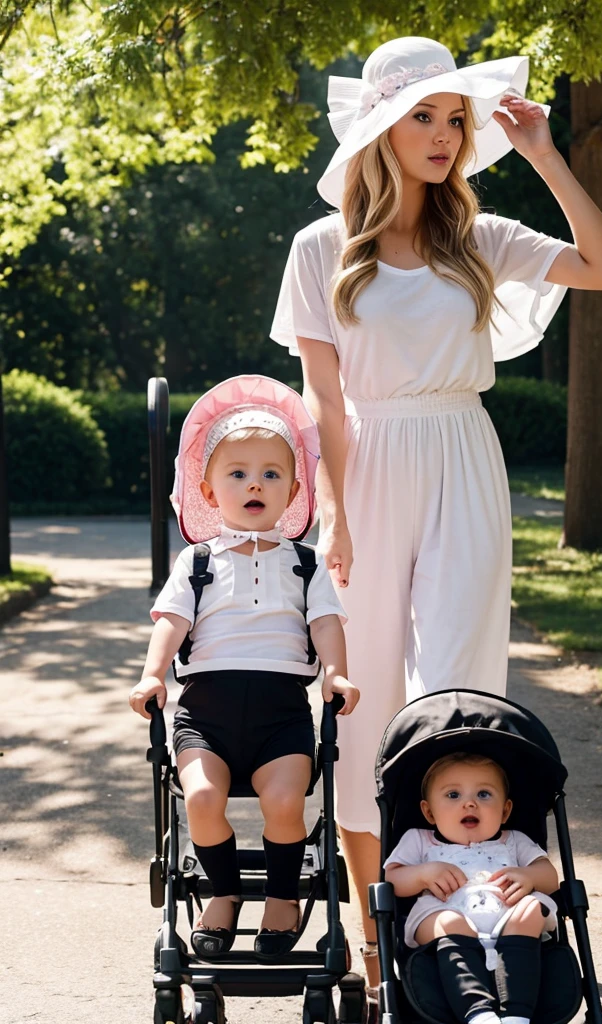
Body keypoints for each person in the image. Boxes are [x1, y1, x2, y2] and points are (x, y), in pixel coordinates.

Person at [270, 34, 602, 991]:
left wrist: (548, 153)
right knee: (365, 698)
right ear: (382, 132)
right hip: (369, 471)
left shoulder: (480, 237)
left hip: (463, 461)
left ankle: (469, 907)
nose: (441, 135)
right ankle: (373, 929)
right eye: (421, 117)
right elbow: (325, 405)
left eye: (454, 118)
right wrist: (337, 517)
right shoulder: (320, 250)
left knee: (460, 687)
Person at [128, 375, 359, 962]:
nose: (254, 482)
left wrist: (334, 673)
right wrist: (154, 674)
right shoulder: (197, 562)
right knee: (201, 798)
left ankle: (281, 898)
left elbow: (326, 624)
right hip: (206, 714)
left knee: (285, 800)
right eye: (237, 473)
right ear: (208, 491)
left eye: (271, 473)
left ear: (292, 491)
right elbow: (171, 622)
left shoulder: (305, 566)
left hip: (282, 717)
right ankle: (224, 892)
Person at [385, 752, 559, 1024]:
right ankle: (478, 1012)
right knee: (448, 921)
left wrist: (528, 876)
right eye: (453, 795)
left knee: (532, 909)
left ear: (505, 811)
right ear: (429, 812)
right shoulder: (419, 840)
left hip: (509, 917)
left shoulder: (514, 841)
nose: (469, 803)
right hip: (443, 911)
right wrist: (422, 874)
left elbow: (550, 877)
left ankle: (517, 1015)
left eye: (484, 795)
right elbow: (391, 880)